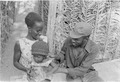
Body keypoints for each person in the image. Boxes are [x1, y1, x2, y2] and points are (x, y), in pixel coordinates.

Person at [13, 12, 44, 82]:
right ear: (29, 28)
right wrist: (27, 70)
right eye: (38, 30)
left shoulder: (43, 41)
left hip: (40, 76)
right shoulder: (20, 44)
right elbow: (15, 62)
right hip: (26, 77)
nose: (40, 33)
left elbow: (45, 58)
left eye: (41, 30)